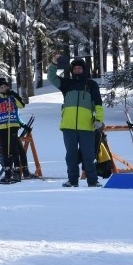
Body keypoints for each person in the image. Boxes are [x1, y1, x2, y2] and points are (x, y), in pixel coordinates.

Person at [47, 55, 105, 187]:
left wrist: (99, 120)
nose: (78, 70)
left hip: (87, 126)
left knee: (89, 156)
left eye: (80, 68)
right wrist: (53, 64)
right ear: (72, 70)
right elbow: (52, 78)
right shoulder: (67, 83)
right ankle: (72, 180)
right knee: (71, 156)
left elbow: (98, 105)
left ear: (84, 70)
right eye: (75, 68)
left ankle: (93, 180)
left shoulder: (91, 85)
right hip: (68, 126)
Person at [0, 78, 26, 183]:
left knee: (14, 149)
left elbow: (22, 105)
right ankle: (7, 173)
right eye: (1, 87)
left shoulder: (12, 96)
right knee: (5, 150)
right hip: (2, 126)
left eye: (5, 86)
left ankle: (16, 172)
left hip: (12, 124)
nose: (4, 88)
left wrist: (14, 95)